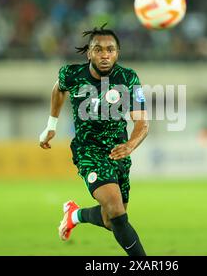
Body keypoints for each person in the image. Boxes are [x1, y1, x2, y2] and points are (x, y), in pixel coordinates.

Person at [39, 24, 149, 256]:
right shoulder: (72, 74)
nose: (105, 55)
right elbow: (58, 89)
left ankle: (75, 215)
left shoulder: (128, 78)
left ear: (117, 53)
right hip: (89, 151)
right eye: (98, 49)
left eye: (110, 49)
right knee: (118, 214)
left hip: (118, 151)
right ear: (89, 53)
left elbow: (142, 122)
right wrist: (51, 125)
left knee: (112, 221)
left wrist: (129, 145)